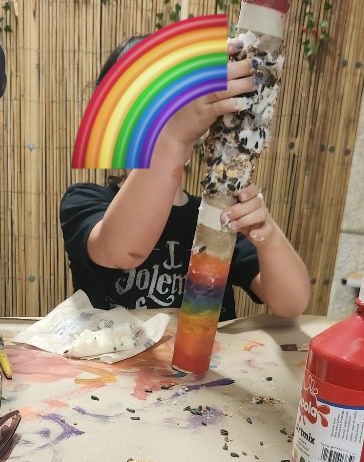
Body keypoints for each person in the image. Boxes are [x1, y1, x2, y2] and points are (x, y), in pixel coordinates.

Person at [60, 36, 310, 320]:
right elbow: (123, 251)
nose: (162, 128)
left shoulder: (217, 215)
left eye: (176, 115)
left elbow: (291, 304)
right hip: (111, 348)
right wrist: (172, 137)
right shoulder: (85, 200)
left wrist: (268, 236)